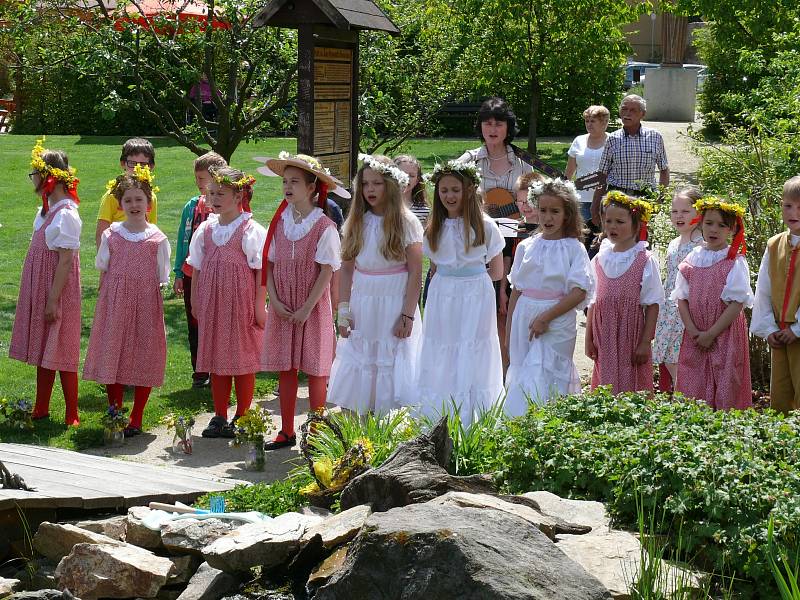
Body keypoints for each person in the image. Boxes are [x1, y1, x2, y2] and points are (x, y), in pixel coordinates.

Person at [259, 152, 342, 450]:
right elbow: (268, 264)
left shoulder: (323, 226)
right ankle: (286, 430)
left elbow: (326, 270)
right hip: (284, 305)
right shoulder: (279, 223)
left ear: (311, 187)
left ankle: (318, 432)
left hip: (312, 306)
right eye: (285, 181)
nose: (287, 186)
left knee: (316, 368)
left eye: (295, 181)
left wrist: (307, 307)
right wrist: (275, 300)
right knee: (287, 367)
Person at [329, 154, 423, 414]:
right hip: (363, 303)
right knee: (362, 363)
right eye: (366, 184)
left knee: (391, 362)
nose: (370, 189)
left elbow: (416, 272)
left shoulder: (406, 222)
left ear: (391, 186)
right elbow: (346, 269)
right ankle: (360, 430)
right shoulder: (357, 222)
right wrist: (344, 311)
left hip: (394, 304)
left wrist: (408, 314)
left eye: (377, 184)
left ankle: (389, 428)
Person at [83, 167, 171, 436]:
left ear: (149, 203)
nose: (134, 205)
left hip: (145, 303)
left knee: (144, 355)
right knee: (114, 353)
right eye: (128, 200)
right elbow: (103, 264)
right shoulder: (112, 235)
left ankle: (137, 416)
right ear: (120, 204)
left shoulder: (157, 239)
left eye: (139, 199)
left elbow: (162, 274)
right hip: (116, 303)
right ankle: (115, 413)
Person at [417, 159, 505, 426]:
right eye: (444, 190)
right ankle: (442, 409)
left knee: (472, 347)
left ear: (467, 191)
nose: (449, 196)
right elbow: (434, 267)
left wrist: (473, 285)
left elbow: (497, 271)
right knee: (444, 346)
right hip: (444, 293)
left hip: (476, 293)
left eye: (455, 189)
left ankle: (474, 412)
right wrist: (448, 285)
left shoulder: (485, 226)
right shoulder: (435, 227)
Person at [187, 167, 267, 438]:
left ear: (238, 195)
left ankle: (243, 415)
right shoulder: (206, 229)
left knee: (242, 359)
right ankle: (220, 415)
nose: (215, 198)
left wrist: (258, 305)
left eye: (221, 193)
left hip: (239, 302)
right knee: (217, 358)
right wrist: (195, 299)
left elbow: (260, 272)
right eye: (212, 193)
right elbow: (196, 267)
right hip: (212, 301)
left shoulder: (250, 229)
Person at [504, 178, 594, 415]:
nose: (548, 217)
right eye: (543, 210)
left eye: (555, 211)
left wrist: (546, 317)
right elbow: (517, 289)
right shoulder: (527, 246)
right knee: (525, 371)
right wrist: (510, 328)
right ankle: (522, 424)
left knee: (547, 371)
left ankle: (550, 421)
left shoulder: (574, 248)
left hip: (557, 318)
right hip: (525, 315)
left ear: (567, 214)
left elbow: (579, 291)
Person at [9, 139, 82, 426]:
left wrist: (53, 298)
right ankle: (41, 407)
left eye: (35, 174)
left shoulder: (65, 215)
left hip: (57, 289)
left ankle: (72, 412)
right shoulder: (45, 213)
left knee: (62, 347)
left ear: (49, 177)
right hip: (41, 288)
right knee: (45, 347)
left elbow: (65, 261)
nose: (33, 180)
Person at [673, 197, 753, 410]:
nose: (714, 230)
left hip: (724, 334)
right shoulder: (693, 258)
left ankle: (727, 432)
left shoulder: (734, 261)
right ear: (700, 223)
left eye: (721, 225)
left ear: (732, 229)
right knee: (693, 383)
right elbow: (681, 297)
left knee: (726, 382)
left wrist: (711, 334)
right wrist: (693, 330)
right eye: (709, 223)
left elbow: (736, 304)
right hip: (695, 334)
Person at [586, 191, 663, 393]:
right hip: (604, 336)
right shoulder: (599, 259)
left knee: (633, 384)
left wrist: (646, 342)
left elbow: (653, 304)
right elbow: (593, 302)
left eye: (620, 221)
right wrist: (589, 339)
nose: (612, 226)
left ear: (636, 224)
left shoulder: (644, 260)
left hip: (632, 336)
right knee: (605, 384)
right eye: (608, 220)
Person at [173, 151, 227, 389]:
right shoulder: (191, 207)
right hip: (191, 272)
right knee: (194, 323)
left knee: (217, 322)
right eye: (197, 179)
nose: (200, 184)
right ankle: (199, 370)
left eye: (203, 178)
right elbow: (182, 240)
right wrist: (177, 272)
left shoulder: (225, 207)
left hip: (218, 273)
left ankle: (220, 369)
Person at [751, 176, 800, 413]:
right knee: (781, 394)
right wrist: (769, 328)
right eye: (788, 205)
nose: (794, 212)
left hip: (797, 332)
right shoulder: (774, 244)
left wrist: (797, 328)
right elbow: (764, 288)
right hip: (780, 334)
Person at [652, 186, 703, 391]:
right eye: (675, 211)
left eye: (685, 211)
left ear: (698, 214)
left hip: (688, 311)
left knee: (684, 360)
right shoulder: (674, 243)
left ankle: (688, 401)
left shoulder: (702, 245)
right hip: (669, 311)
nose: (679, 216)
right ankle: (679, 399)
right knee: (669, 359)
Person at [591, 95, 670, 226]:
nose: (627, 113)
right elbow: (602, 174)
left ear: (642, 114)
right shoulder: (612, 139)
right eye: (624, 109)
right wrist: (595, 207)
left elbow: (664, 169)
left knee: (644, 240)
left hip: (645, 199)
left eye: (633, 110)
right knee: (617, 239)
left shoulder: (655, 137)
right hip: (617, 199)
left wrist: (660, 199)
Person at [96, 138, 159, 248]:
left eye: (143, 165)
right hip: (117, 253)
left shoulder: (151, 197)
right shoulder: (113, 195)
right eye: (132, 164)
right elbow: (102, 231)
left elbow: (152, 229)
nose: (136, 169)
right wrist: (104, 261)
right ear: (123, 164)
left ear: (151, 166)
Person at [565, 105, 610, 254]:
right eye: (587, 121)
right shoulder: (579, 140)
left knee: (604, 240)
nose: (589, 124)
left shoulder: (613, 141)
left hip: (605, 199)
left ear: (604, 122)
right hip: (581, 198)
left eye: (593, 121)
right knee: (581, 238)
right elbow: (569, 171)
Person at [394, 155, 429, 226]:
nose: (406, 178)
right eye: (401, 174)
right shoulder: (383, 205)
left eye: (411, 176)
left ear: (417, 180)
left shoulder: (422, 210)